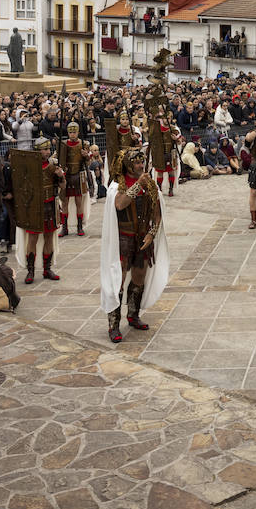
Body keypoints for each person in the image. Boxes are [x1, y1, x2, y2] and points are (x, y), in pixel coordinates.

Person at [99, 145, 170, 343]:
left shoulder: (150, 184)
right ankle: (113, 325)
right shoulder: (117, 186)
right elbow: (120, 204)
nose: (141, 165)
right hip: (122, 239)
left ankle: (133, 314)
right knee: (117, 280)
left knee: (139, 278)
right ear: (129, 165)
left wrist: (151, 234)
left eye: (142, 161)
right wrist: (138, 184)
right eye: (137, 162)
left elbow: (157, 214)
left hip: (142, 239)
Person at [19, 137, 65, 284]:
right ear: (37, 151)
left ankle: (47, 269)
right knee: (32, 238)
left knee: (49, 237)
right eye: (44, 149)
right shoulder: (29, 166)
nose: (47, 151)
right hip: (34, 206)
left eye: (48, 149)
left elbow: (63, 186)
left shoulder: (53, 166)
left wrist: (61, 176)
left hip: (50, 204)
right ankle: (30, 270)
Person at [56, 121, 88, 237]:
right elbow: (57, 158)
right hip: (67, 176)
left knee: (79, 202)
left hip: (78, 175)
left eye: (74, 132)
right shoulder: (63, 144)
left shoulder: (83, 144)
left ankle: (80, 227)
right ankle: (64, 228)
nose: (72, 134)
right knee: (64, 202)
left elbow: (88, 162)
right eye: (70, 132)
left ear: (78, 132)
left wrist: (86, 156)